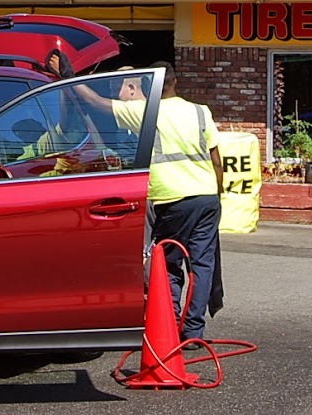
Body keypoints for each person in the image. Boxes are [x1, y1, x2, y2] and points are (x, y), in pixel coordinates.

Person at [78, 61, 223, 340]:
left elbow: (95, 102)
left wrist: (70, 77)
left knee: (168, 263)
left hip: (171, 197)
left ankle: (170, 323)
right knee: (202, 264)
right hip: (206, 196)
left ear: (148, 85)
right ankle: (194, 331)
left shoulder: (145, 111)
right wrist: (217, 194)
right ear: (176, 82)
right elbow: (217, 161)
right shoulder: (200, 111)